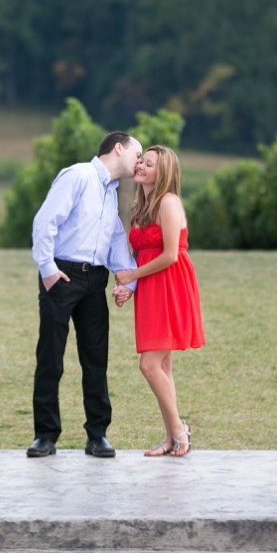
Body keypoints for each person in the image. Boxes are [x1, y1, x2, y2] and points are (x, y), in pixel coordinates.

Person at [28, 131, 140, 458]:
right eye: (137, 153)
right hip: (61, 276)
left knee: (96, 360)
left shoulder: (111, 192)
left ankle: (98, 435)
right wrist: (48, 270)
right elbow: (45, 222)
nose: (140, 160)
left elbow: (115, 237)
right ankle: (45, 436)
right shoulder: (78, 175)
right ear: (118, 148)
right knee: (51, 356)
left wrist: (127, 280)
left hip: (95, 283)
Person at [114, 145, 205, 457]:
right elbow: (138, 253)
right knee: (163, 364)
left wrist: (132, 275)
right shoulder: (139, 206)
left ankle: (180, 430)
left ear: (162, 173)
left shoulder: (168, 202)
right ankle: (171, 437)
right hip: (150, 287)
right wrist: (130, 284)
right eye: (140, 160)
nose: (139, 166)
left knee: (149, 364)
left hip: (171, 284)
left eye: (147, 163)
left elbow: (168, 255)